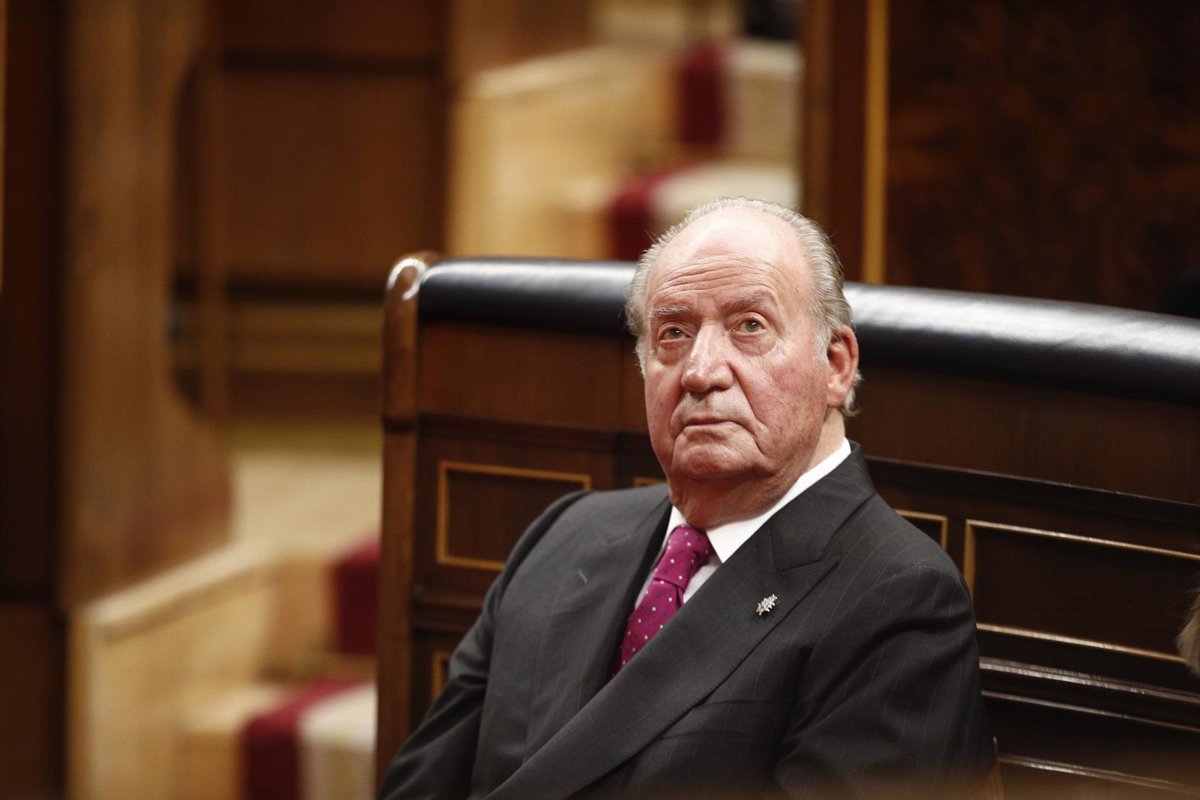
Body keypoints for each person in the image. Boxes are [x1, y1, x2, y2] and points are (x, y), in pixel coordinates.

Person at [379, 198, 995, 799]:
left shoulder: (897, 597)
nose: (701, 371)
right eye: (673, 333)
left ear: (835, 364)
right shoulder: (567, 533)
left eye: (749, 327)